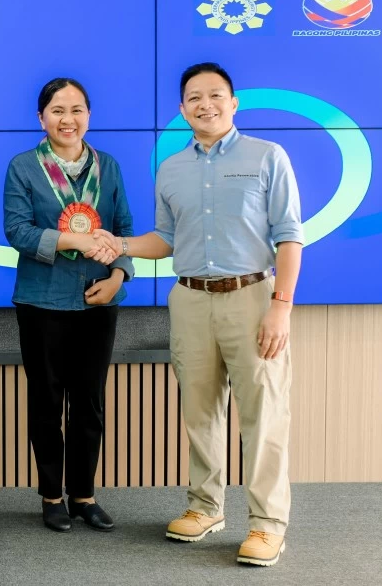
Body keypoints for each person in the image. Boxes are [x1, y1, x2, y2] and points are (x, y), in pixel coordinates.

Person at [100, 62, 302, 567]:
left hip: (253, 297)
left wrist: (281, 307)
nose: (205, 104)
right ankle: (206, 507)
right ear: (181, 109)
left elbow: (289, 236)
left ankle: (266, 525)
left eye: (215, 95)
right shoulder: (171, 168)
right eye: (194, 97)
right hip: (189, 299)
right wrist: (118, 244)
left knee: (263, 415)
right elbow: (165, 240)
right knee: (200, 411)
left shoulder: (267, 156)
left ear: (234, 104)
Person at [2, 77, 135, 534]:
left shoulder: (108, 167)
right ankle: (51, 496)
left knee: (90, 405)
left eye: (77, 109)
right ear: (41, 118)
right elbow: (17, 232)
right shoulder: (23, 167)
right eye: (58, 110)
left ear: (89, 117)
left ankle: (84, 495)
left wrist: (118, 277)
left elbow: (123, 230)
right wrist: (75, 239)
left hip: (99, 300)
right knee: (46, 403)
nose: (68, 119)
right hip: (42, 302)